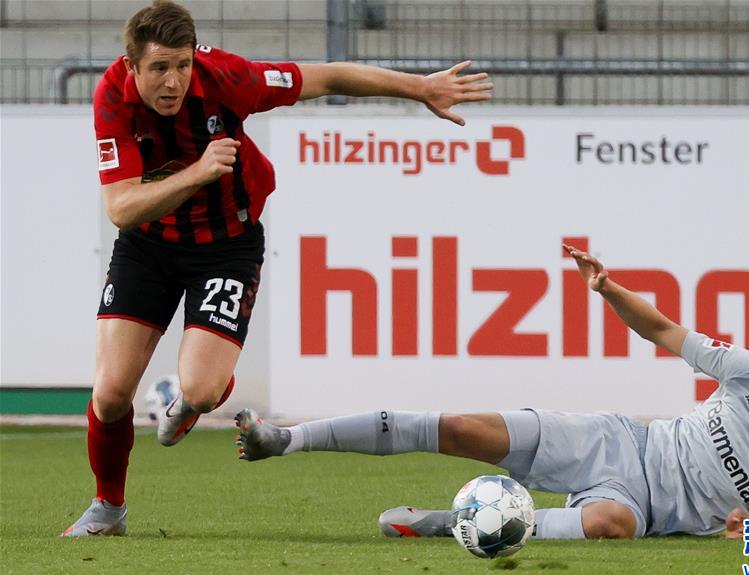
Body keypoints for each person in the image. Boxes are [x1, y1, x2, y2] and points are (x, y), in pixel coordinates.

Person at [62, 0, 492, 537]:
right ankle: (108, 508)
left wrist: (420, 88)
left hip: (226, 246)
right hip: (147, 246)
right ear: (131, 66)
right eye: (159, 68)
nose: (173, 81)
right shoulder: (111, 97)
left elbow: (328, 76)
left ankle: (190, 402)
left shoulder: (228, 78)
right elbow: (121, 208)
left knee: (201, 390)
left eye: (182, 65)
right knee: (109, 394)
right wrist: (199, 171)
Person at [234, 244, 749, 541]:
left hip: (648, 510)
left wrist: (748, 534)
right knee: (460, 428)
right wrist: (609, 289)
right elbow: (664, 330)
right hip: (620, 443)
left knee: (609, 525)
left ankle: (450, 524)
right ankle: (284, 439)